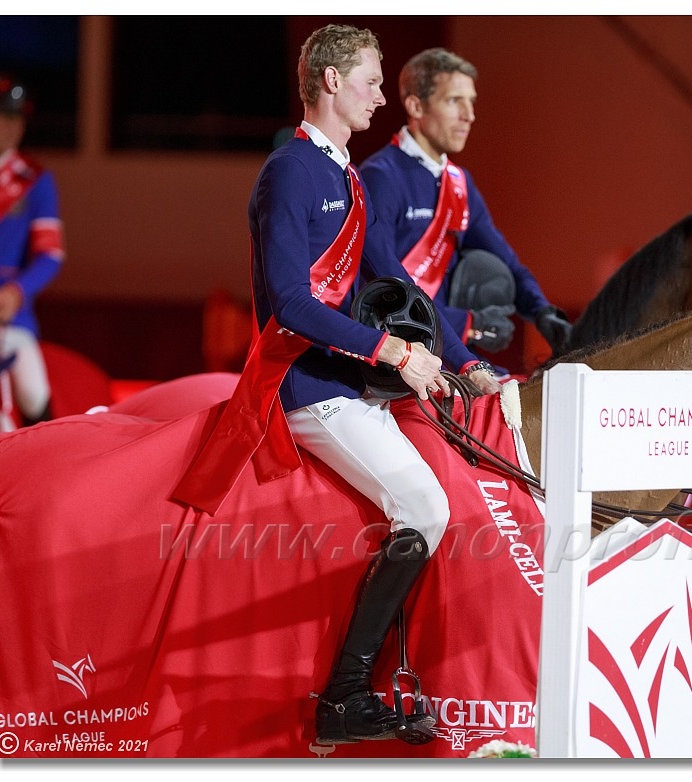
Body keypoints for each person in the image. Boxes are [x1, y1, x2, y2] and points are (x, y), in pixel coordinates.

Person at [172, 25, 500, 745]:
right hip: (306, 386)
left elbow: (394, 275)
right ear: (329, 82)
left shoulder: (347, 175)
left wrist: (459, 359)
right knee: (425, 506)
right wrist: (392, 352)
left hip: (354, 380)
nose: (382, 97)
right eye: (372, 82)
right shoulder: (290, 171)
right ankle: (345, 693)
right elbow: (291, 303)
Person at [359, 47, 572, 367]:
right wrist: (466, 323)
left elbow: (506, 261)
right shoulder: (380, 177)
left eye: (471, 101)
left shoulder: (460, 183)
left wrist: (542, 311)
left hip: (451, 350)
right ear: (416, 106)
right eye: (454, 100)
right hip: (400, 355)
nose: (469, 115)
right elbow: (380, 288)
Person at [0, 73, 65, 432]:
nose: (12, 127)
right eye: (2, 117)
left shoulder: (34, 180)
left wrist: (14, 293)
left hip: (9, 317)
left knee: (34, 393)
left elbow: (50, 254)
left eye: (17, 119)